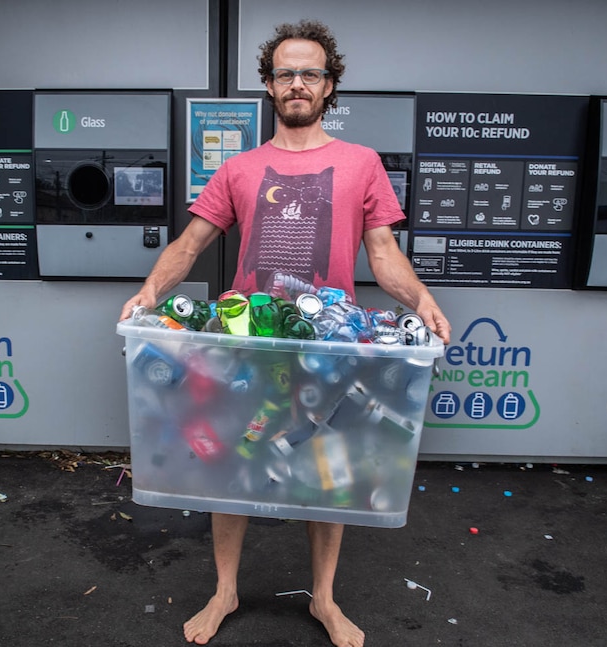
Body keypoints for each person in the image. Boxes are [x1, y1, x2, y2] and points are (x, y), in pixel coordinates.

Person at [120, 19, 451, 647]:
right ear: (269, 86)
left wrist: (422, 297)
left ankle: (323, 599)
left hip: (331, 343)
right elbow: (192, 242)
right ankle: (224, 590)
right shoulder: (241, 169)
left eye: (312, 73)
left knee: (331, 468)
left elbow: (382, 252)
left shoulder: (361, 163)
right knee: (231, 463)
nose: (298, 83)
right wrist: (150, 293)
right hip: (249, 340)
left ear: (330, 87)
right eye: (285, 73)